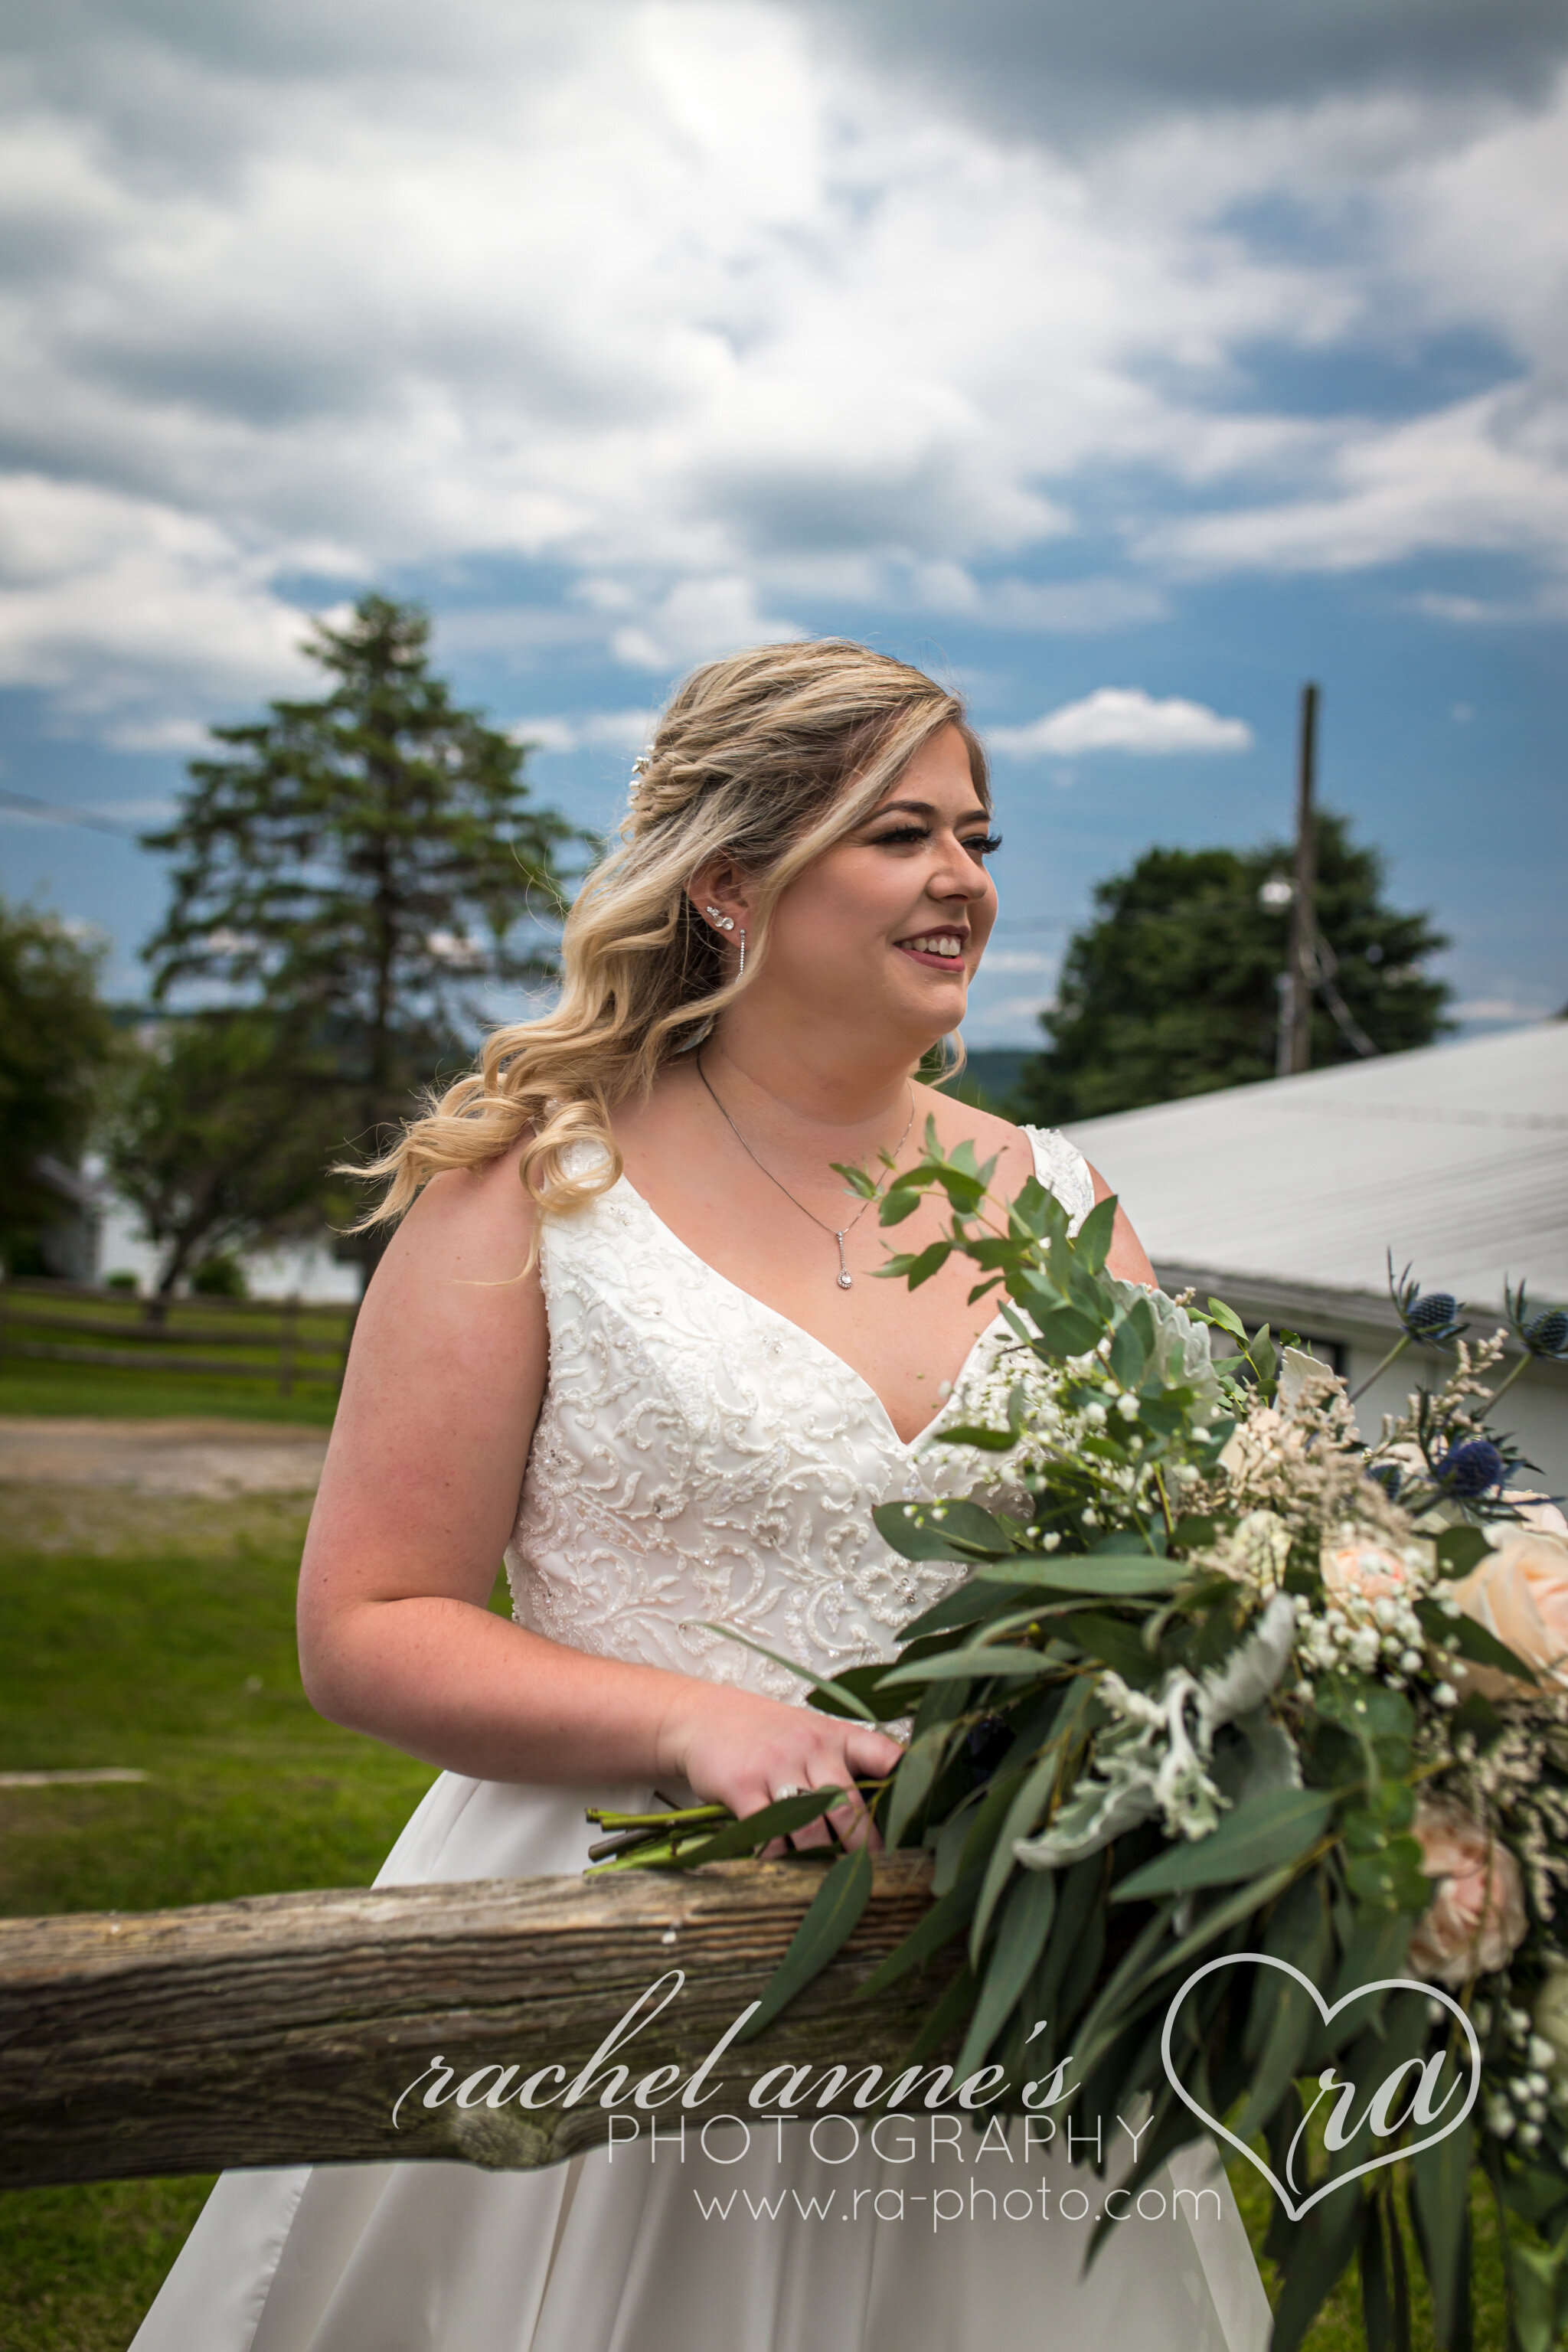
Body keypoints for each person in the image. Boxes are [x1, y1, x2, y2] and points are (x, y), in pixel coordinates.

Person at [132, 639, 1269, 2352]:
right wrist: (689, 1726)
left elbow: (1189, 1569)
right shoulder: (534, 1190)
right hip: (609, 1944)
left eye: (977, 837)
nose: (961, 878)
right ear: (733, 880)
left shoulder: (1068, 1204)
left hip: (989, 1958)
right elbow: (365, 1626)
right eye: (900, 834)